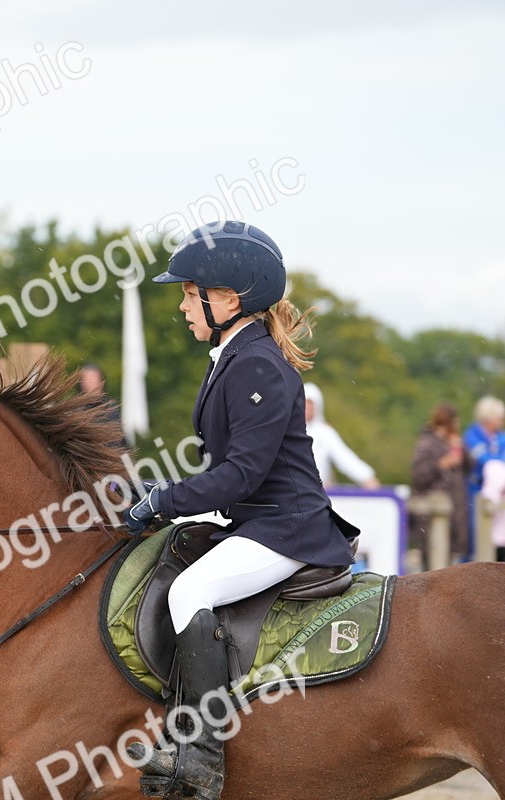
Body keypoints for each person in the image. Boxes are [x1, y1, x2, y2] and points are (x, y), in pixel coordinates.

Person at [123, 221, 358, 799]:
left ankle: (200, 757)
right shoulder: (232, 354)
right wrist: (161, 492)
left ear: (228, 297)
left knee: (188, 593)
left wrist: (167, 499)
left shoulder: (254, 364)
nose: (182, 305)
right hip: (259, 521)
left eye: (188, 292)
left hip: (287, 528)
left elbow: (240, 476)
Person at [408, 404, 470, 569]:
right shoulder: (426, 443)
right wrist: (441, 464)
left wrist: (460, 447)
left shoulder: (451, 442)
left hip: (453, 513)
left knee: (449, 562)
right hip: (432, 514)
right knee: (432, 564)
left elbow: (470, 467)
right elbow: (418, 476)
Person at [303, 382, 379, 488]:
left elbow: (344, 457)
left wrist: (366, 477)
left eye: (310, 404)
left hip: (315, 493)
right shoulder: (288, 429)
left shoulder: (325, 433)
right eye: (304, 404)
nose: (307, 408)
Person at [464, 396, 505, 556]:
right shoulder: (472, 436)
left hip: (500, 494)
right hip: (475, 490)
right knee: (476, 533)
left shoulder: (500, 437)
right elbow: (482, 459)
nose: (501, 421)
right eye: (498, 417)